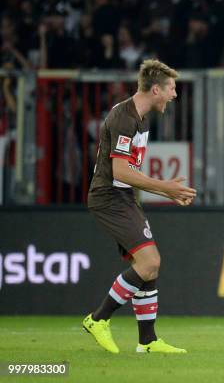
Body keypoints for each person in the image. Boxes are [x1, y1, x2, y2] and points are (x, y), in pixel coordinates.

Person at [82, 59, 196, 354]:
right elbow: (119, 171)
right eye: (171, 88)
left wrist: (165, 190)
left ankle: (147, 341)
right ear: (156, 89)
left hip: (123, 197)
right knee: (150, 262)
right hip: (109, 196)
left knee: (148, 267)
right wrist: (166, 187)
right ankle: (98, 319)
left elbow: (128, 171)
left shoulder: (140, 118)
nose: (174, 95)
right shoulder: (124, 117)